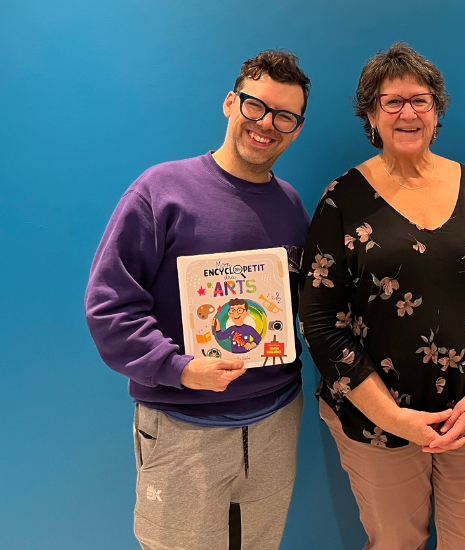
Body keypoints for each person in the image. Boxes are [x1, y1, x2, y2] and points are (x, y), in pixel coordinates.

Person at [298, 42, 465, 550]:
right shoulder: (342, 198)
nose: (407, 113)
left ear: (437, 111)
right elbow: (319, 318)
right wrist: (395, 418)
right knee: (395, 543)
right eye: (390, 102)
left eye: (419, 100)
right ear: (371, 116)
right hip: (376, 421)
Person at [84, 50, 311, 550]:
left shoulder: (292, 206)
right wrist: (181, 368)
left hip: (275, 421)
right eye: (256, 106)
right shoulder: (161, 191)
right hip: (183, 427)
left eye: (284, 116)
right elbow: (109, 307)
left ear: (296, 129)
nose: (266, 124)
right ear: (231, 103)